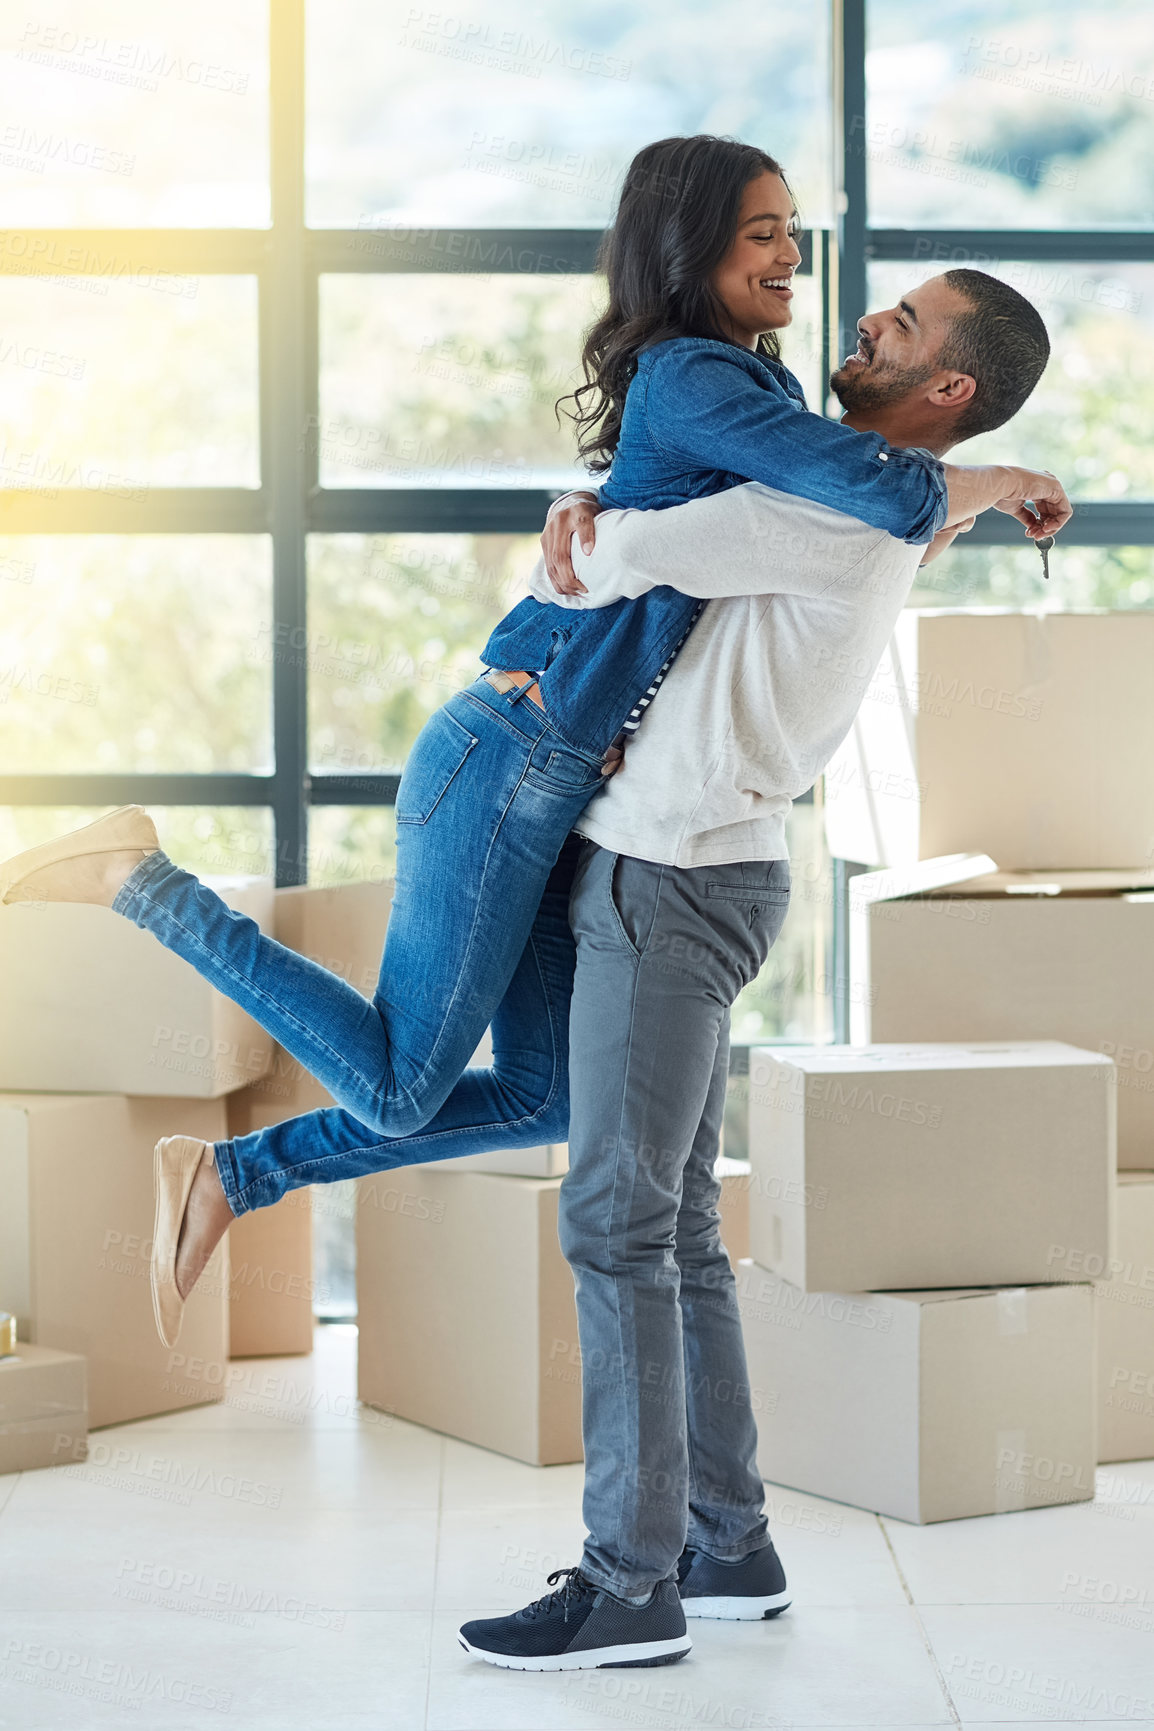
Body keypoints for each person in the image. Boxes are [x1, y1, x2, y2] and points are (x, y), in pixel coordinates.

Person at [0, 136, 1020, 1354]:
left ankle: (230, 1169)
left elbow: (833, 539)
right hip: (508, 754)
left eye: (789, 228)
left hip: (567, 783)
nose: (792, 255)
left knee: (555, 1094)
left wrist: (952, 501)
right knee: (397, 1084)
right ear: (691, 249)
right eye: (762, 233)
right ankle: (148, 893)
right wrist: (999, 478)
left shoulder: (760, 395)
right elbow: (890, 502)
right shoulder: (697, 378)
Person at [454, 264, 1062, 1669]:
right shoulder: (870, 509)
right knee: (667, 1227)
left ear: (945, 387)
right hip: (713, 870)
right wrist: (1003, 476)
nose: (861, 321)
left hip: (669, 877)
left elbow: (610, 555)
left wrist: (583, 522)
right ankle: (729, 1543)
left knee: (612, 1221)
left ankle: (629, 1580)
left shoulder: (818, 511)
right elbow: (891, 498)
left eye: (898, 326)